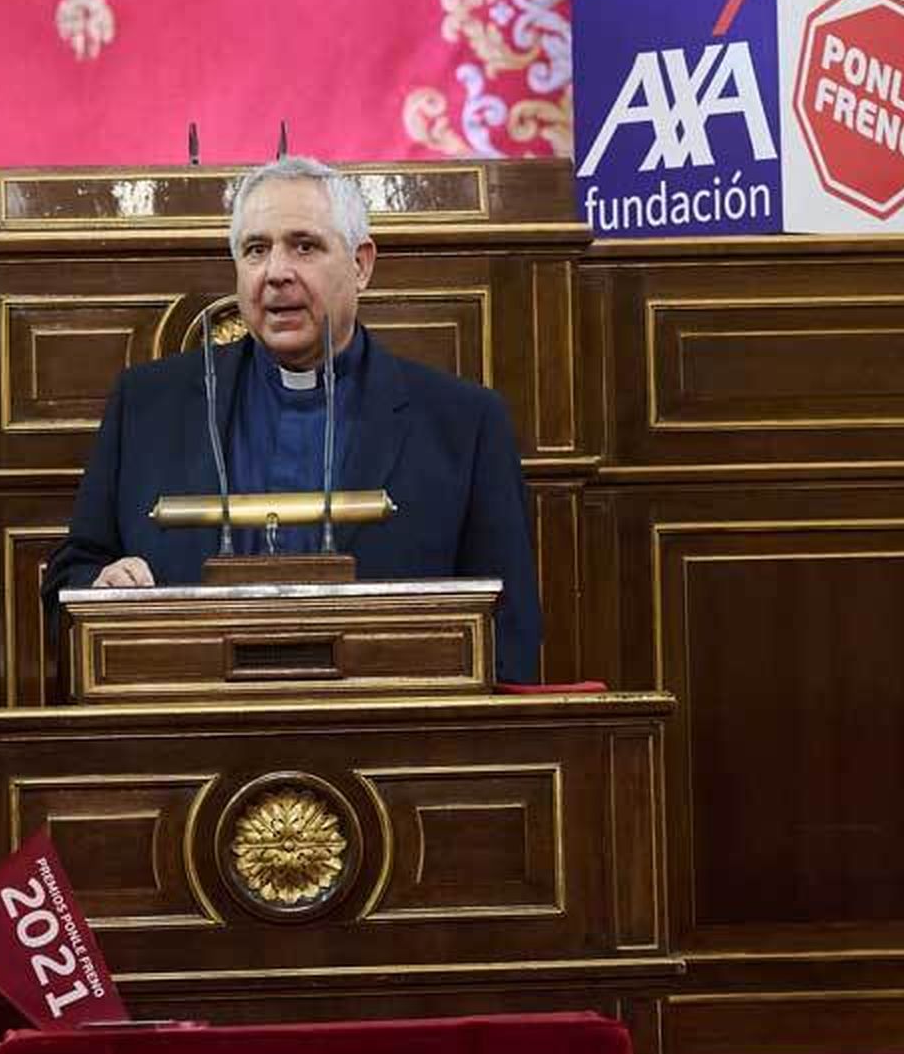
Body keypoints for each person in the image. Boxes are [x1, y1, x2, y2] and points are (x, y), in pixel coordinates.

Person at [41, 156, 541, 683]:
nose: (276, 272)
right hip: (194, 728)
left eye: (305, 245)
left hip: (385, 739)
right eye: (256, 250)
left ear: (361, 264)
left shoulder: (463, 421)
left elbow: (508, 632)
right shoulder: (147, 406)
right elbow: (70, 580)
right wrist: (103, 585)